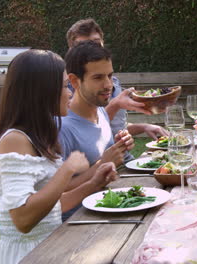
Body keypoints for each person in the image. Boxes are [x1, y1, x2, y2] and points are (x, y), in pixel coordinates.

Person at [0, 50, 117, 264]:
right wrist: (67, 170)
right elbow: (23, 219)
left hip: (51, 246)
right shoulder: (14, 140)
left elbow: (50, 208)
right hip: (28, 255)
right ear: (42, 91)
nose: (70, 94)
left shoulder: (38, 136)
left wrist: (94, 183)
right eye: (65, 86)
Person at [66, 18, 168, 160]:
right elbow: (84, 129)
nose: (107, 84)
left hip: (121, 163)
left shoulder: (113, 82)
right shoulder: (67, 92)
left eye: (95, 43)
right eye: (83, 45)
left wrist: (143, 127)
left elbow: (114, 125)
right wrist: (115, 104)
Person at [59, 40, 133, 221]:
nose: (109, 85)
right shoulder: (62, 128)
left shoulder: (100, 110)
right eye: (98, 77)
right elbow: (56, 192)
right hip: (78, 225)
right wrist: (101, 164)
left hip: (112, 208)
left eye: (110, 75)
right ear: (75, 81)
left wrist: (119, 146)